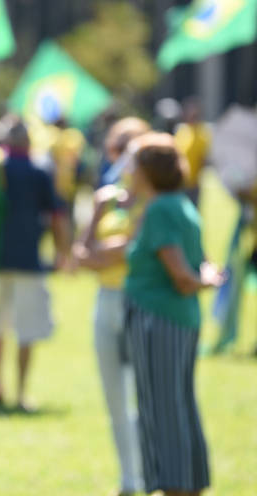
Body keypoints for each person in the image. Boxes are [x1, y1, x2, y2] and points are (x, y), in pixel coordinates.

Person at [124, 132, 222, 496]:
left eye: (134, 165)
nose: (130, 172)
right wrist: (205, 278)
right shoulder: (180, 203)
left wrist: (199, 281)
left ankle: (175, 488)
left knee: (161, 409)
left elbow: (181, 275)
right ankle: (189, 485)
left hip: (158, 321)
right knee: (179, 405)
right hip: (178, 319)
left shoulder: (161, 208)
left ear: (147, 170)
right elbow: (200, 265)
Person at [0, 116, 70, 411]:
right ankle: (20, 393)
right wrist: (63, 253)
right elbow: (56, 216)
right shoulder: (38, 169)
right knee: (26, 329)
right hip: (28, 260)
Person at [72, 117, 150, 496]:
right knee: (115, 398)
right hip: (107, 299)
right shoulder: (109, 198)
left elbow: (131, 248)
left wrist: (102, 253)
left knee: (145, 395)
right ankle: (129, 479)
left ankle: (151, 472)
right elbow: (81, 254)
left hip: (142, 301)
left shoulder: (154, 200)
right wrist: (100, 216)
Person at [174, 97, 210, 207]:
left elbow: (203, 159)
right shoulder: (181, 130)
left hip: (193, 182)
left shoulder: (202, 133)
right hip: (180, 181)